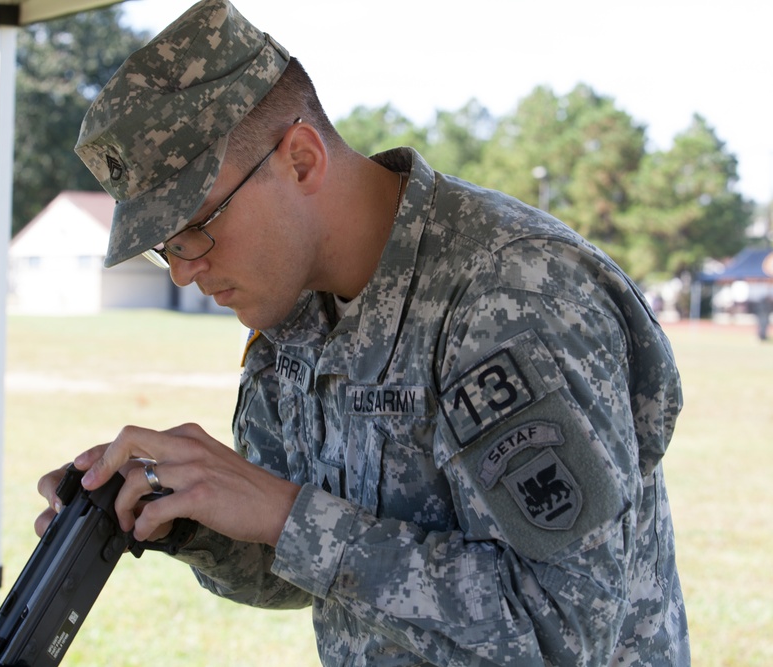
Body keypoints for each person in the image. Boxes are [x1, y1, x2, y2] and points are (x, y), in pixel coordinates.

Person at [35, 1, 689, 664]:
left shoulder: (517, 291)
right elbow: (299, 561)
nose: (183, 271)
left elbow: (562, 631)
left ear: (300, 159)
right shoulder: (291, 316)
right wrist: (185, 513)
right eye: (165, 247)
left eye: (198, 227)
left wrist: (286, 511)